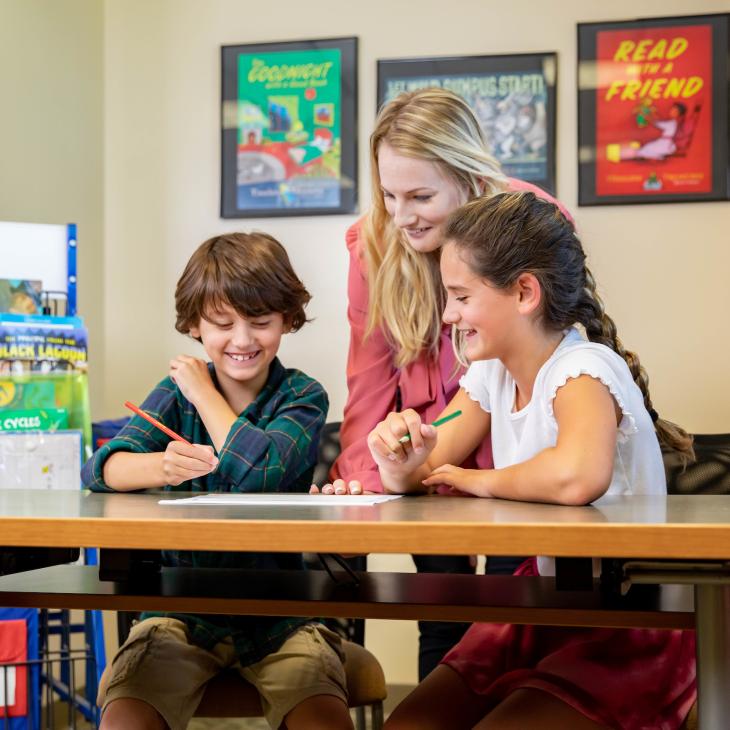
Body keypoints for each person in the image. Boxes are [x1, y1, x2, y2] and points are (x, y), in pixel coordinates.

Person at [368, 191, 696, 730]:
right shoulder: (490, 376)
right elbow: (430, 461)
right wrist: (400, 455)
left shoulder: (584, 368)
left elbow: (577, 473)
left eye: (460, 297)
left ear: (524, 292)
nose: (448, 315)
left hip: (626, 621)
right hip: (543, 600)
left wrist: (477, 480)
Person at [323, 87, 571, 679]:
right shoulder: (376, 241)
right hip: (432, 444)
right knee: (443, 616)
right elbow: (371, 373)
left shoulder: (528, 225)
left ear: (467, 176)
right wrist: (366, 482)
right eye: (387, 193)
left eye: (420, 196)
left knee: (520, 616)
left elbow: (538, 361)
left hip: (512, 438)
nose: (401, 214)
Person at [82, 233, 353, 730]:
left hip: (281, 616)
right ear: (193, 325)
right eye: (223, 324)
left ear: (288, 320)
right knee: (125, 715)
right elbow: (102, 470)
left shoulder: (301, 396)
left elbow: (261, 473)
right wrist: (158, 467)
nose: (243, 340)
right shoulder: (173, 394)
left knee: (323, 715)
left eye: (261, 322)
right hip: (180, 613)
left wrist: (204, 392)